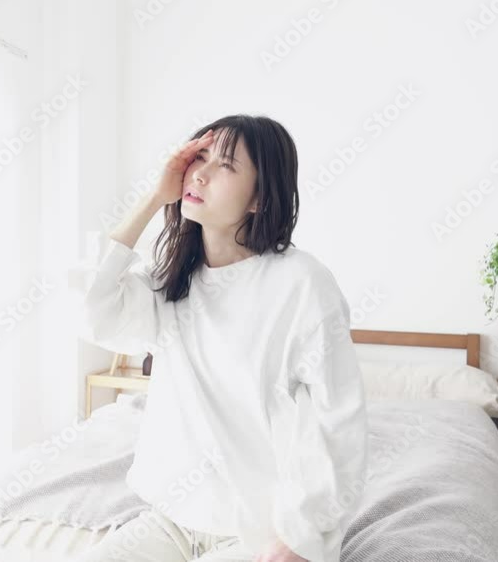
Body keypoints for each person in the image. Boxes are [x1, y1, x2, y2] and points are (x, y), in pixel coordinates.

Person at [77, 114, 368, 562]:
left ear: (259, 198)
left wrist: (300, 536)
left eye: (226, 165)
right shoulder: (172, 280)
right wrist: (155, 197)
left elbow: (338, 423)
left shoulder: (302, 283)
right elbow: (93, 312)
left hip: (262, 534)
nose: (200, 174)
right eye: (200, 158)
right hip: (171, 523)